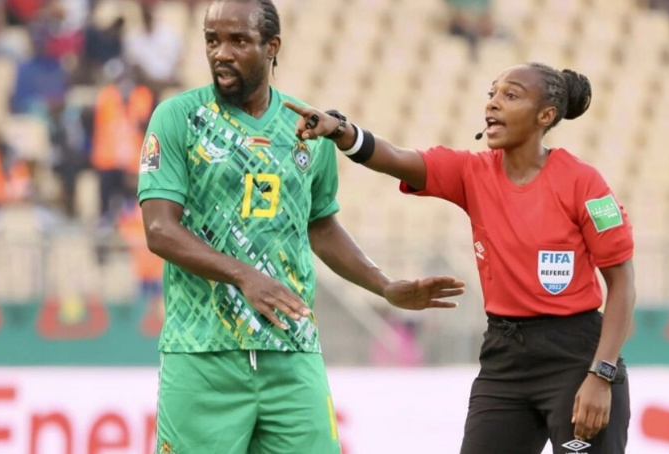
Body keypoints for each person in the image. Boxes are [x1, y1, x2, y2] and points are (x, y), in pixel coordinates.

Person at [137, 1, 465, 453]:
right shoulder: (176, 118)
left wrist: (385, 286)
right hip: (202, 352)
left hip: (293, 351)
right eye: (212, 40)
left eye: (238, 41)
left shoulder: (309, 128)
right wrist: (244, 274)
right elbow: (159, 230)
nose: (221, 53)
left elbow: (322, 227)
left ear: (272, 47)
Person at [285, 62, 636, 453]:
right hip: (505, 356)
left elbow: (622, 283)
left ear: (546, 116)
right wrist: (340, 130)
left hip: (576, 356)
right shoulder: (472, 172)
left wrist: (601, 375)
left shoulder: (583, 182)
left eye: (511, 95)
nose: (493, 104)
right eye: (492, 94)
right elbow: (396, 158)